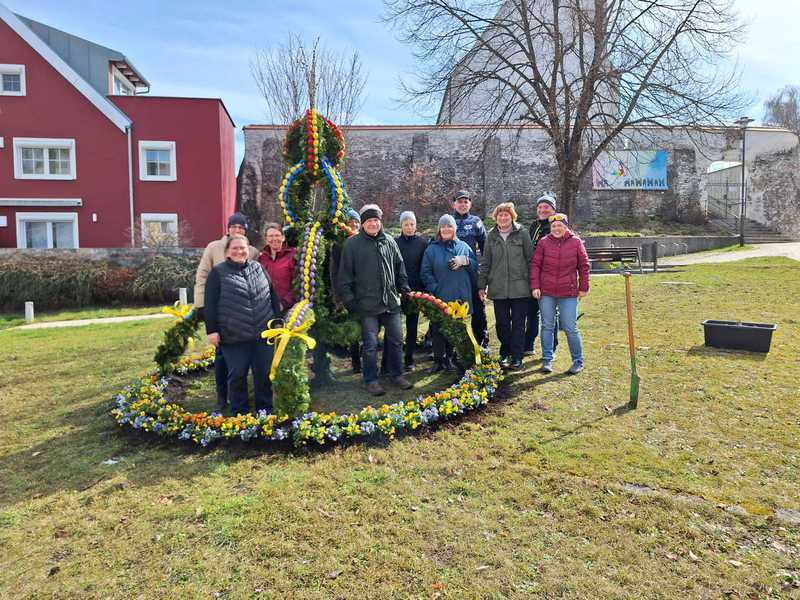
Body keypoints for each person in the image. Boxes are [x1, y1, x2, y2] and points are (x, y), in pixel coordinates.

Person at [337, 204, 413, 396]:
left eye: (376, 220)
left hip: (391, 302)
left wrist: (404, 286)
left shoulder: (389, 241)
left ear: (380, 222)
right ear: (363, 224)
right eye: (369, 221)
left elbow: (399, 266)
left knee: (396, 340)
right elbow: (344, 276)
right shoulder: (352, 245)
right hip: (367, 305)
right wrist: (350, 301)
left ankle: (396, 374)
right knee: (370, 345)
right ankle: (371, 379)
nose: (373, 224)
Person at [204, 235, 281, 415]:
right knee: (237, 375)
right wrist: (212, 331)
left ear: (248, 249)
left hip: (263, 333)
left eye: (242, 248)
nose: (239, 251)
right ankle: (240, 413)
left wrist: (277, 321)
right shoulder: (217, 273)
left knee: (264, 374)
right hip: (233, 335)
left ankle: (265, 411)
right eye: (235, 248)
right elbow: (210, 304)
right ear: (227, 252)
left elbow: (272, 295)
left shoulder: (259, 268)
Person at [194, 212, 259, 411]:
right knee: (221, 355)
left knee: (241, 357)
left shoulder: (252, 251)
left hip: (241, 312)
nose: (237, 230)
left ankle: (241, 393)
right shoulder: (214, 248)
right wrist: (202, 305)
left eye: (241, 227)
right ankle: (222, 395)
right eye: (234, 227)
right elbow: (202, 275)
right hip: (219, 309)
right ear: (228, 228)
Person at [530, 213, 590, 375]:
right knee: (547, 326)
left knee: (570, 327)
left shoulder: (576, 242)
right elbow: (535, 265)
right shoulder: (543, 242)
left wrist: (584, 287)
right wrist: (535, 286)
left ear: (566, 227)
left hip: (568, 292)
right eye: (554, 226)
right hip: (546, 292)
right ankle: (547, 359)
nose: (557, 229)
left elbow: (584, 266)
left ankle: (578, 361)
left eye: (560, 226)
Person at [478, 202, 533, 371]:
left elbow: (530, 260)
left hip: (520, 288)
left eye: (506, 215)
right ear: (496, 218)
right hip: (498, 288)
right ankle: (505, 353)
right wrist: (482, 286)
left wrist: (533, 284)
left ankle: (517, 357)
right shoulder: (491, 236)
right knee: (502, 324)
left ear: (512, 216)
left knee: (518, 324)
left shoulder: (522, 233)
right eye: (500, 215)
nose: (503, 218)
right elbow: (486, 262)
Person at [421, 214, 478, 373]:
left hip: (460, 297)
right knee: (438, 329)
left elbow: (475, 267)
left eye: (449, 226)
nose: (446, 229)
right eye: (443, 226)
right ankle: (438, 360)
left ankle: (451, 359)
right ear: (439, 229)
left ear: (454, 229)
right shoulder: (431, 249)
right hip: (440, 297)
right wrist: (435, 288)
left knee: (456, 329)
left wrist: (466, 261)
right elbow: (425, 272)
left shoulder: (463, 246)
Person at [451, 190, 488, 348]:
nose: (463, 204)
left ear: (470, 204)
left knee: (478, 308)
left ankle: (482, 343)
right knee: (450, 308)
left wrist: (484, 271)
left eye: (466, 201)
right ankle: (449, 346)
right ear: (454, 204)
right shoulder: (448, 221)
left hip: (472, 272)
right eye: (460, 201)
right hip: (452, 272)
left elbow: (486, 248)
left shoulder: (476, 221)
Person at [395, 210, 429, 371]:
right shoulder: (394, 243)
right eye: (406, 224)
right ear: (401, 226)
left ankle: (409, 359)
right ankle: (390, 361)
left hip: (415, 291)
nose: (409, 227)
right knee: (393, 327)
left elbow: (425, 266)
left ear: (416, 225)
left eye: (412, 224)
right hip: (396, 291)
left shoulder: (422, 243)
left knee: (412, 326)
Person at [524, 193, 558, 355]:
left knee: (549, 314)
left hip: (548, 276)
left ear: (553, 209)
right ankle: (528, 344)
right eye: (540, 207)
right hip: (532, 275)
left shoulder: (556, 226)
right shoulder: (534, 225)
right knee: (531, 312)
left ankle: (552, 347)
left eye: (546, 207)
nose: (542, 210)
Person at [258, 222, 296, 312]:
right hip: (266, 308)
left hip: (289, 309)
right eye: (270, 236)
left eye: (277, 235)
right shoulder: (261, 258)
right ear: (266, 239)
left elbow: (297, 283)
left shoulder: (293, 256)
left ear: (283, 237)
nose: (274, 239)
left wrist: (283, 303)